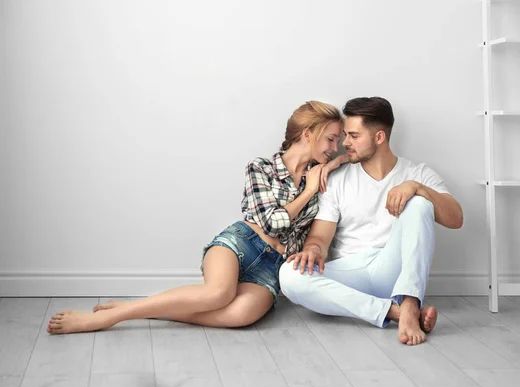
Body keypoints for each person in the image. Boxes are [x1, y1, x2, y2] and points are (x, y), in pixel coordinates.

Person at [47, 100, 349, 334]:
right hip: (241, 244)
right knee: (218, 294)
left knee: (240, 316)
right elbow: (271, 222)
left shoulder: (320, 175)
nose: (335, 148)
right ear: (308, 133)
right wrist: (307, 192)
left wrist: (338, 163)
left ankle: (139, 307)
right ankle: (111, 318)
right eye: (331, 140)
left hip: (274, 269)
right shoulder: (260, 168)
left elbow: (346, 164)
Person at [279, 97, 464, 346]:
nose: (345, 143)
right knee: (289, 275)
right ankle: (395, 313)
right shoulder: (336, 179)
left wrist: (417, 188)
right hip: (351, 272)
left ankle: (409, 301)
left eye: (354, 136)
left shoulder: (417, 173)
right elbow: (320, 237)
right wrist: (312, 250)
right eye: (345, 135)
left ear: (379, 137)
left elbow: (456, 219)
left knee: (420, 202)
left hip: (394, 270)